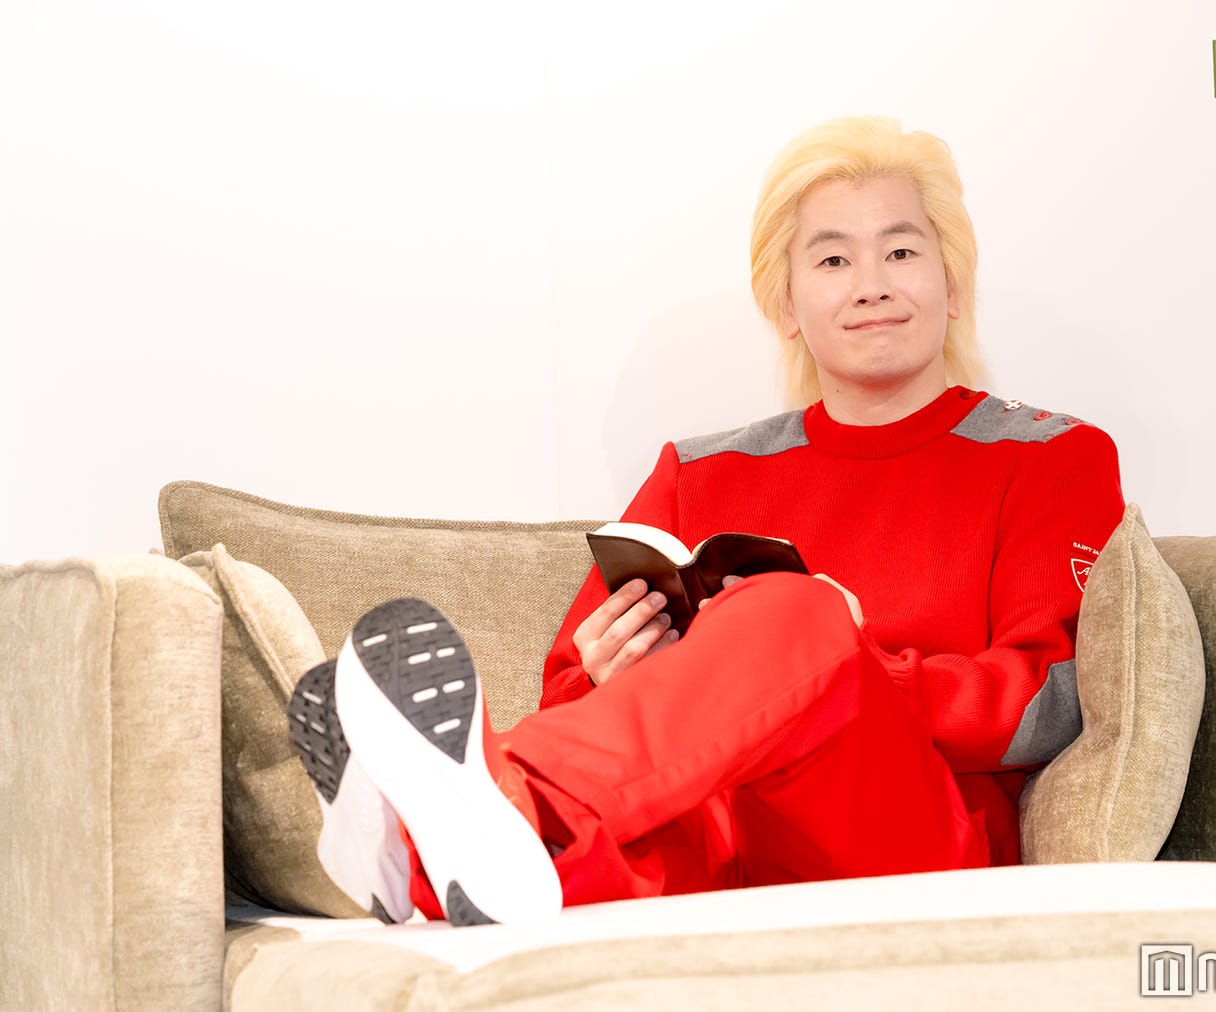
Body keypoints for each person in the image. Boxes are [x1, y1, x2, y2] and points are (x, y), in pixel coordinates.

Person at [287, 115, 1125, 927]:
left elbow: (1052, 702)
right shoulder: (697, 473)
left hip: (907, 837)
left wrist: (852, 661)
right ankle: (423, 854)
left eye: (901, 252)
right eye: (833, 258)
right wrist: (605, 673)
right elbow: (566, 694)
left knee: (794, 609)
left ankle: (491, 797)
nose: (872, 283)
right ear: (787, 305)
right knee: (632, 841)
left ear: (952, 286)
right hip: (719, 829)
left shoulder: (1052, 456)